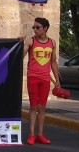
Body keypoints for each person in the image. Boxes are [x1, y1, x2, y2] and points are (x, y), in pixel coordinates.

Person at [23, 17, 61, 145]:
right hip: (33, 77)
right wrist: (20, 43)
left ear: (45, 28)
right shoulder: (30, 41)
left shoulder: (52, 43)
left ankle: (40, 134)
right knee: (33, 106)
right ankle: (31, 134)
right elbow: (19, 55)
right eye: (33, 27)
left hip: (45, 79)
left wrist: (57, 81)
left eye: (37, 27)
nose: (35, 30)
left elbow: (53, 62)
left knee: (42, 107)